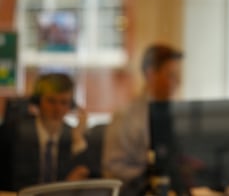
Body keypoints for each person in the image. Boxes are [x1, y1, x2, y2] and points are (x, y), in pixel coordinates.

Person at [102, 44, 189, 195]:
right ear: (151, 75)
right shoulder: (126, 117)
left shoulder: (175, 113)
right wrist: (147, 177)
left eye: (178, 75)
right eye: (171, 75)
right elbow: (113, 170)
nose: (178, 81)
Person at [0, 73, 90, 191]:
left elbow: (82, 175)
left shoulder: (73, 136)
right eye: (51, 101)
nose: (58, 109)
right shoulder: (15, 132)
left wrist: (78, 139)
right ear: (38, 101)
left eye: (64, 102)